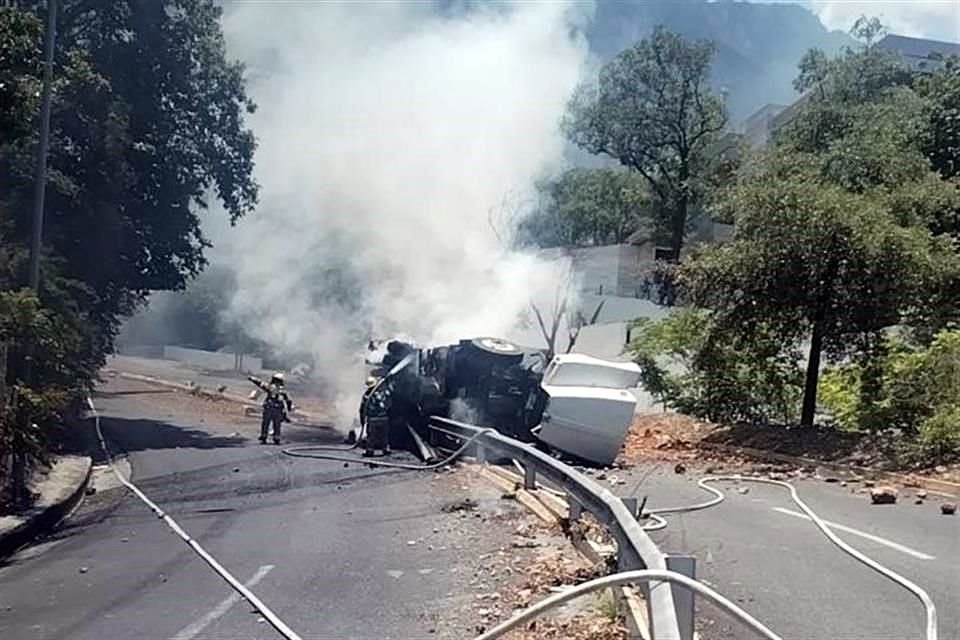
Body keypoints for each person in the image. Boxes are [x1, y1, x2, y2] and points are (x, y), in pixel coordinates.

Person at [248, 372, 293, 445]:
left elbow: (260, 383)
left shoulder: (270, 387)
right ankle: (276, 438)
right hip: (278, 409)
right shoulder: (283, 390)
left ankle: (264, 436)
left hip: (269, 408)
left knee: (265, 423)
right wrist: (288, 409)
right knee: (277, 424)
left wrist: (252, 379)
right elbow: (289, 401)